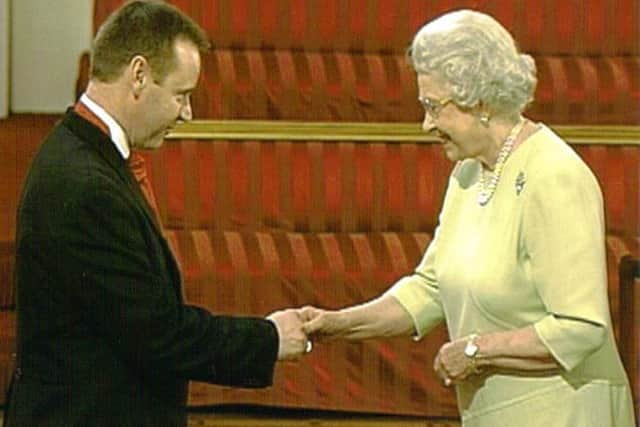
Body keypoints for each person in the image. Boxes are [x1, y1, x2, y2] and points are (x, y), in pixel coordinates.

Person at [300, 10, 635, 427]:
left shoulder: (555, 176)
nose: (425, 125)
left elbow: (581, 328)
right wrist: (339, 324)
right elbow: (431, 289)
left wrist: (476, 350)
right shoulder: (469, 172)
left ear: (479, 100)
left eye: (433, 107)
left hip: (566, 413)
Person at [3, 2, 309, 426]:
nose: (188, 113)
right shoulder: (86, 185)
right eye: (182, 95)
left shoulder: (80, 152)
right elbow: (158, 334)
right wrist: (269, 339)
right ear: (140, 75)